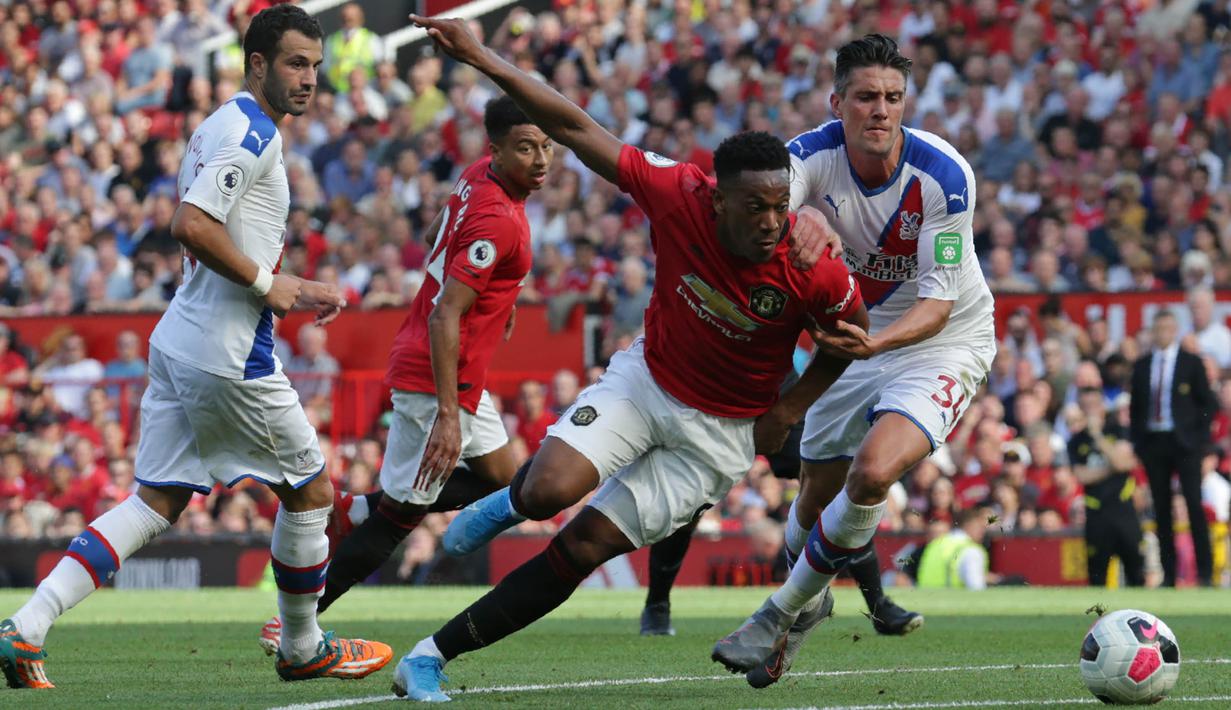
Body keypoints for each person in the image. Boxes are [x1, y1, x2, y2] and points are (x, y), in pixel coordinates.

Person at [393, 14, 859, 703]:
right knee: (548, 489)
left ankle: (427, 658)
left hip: (719, 439)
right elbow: (578, 128)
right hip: (646, 382)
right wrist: (479, 55)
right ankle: (510, 500)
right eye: (754, 207)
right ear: (717, 197)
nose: (770, 222)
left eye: (780, 206)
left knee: (581, 548)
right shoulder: (677, 194)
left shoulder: (809, 264)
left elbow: (849, 336)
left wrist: (788, 408)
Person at [0, 6, 393, 690]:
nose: (309, 79)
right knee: (310, 490)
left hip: (182, 340)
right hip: (226, 353)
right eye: (296, 64)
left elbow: (212, 226)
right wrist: (271, 283)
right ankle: (302, 646)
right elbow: (189, 223)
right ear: (259, 63)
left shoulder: (219, 121)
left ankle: (25, 628)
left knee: (155, 501)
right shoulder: (252, 133)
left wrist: (288, 286)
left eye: (316, 67)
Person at [714, 34, 996, 687]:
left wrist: (868, 345)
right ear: (835, 101)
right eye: (865, 97)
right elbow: (755, 216)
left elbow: (935, 304)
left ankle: (775, 614)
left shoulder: (944, 177)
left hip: (941, 340)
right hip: (851, 340)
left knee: (870, 475)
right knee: (812, 500)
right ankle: (807, 610)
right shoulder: (806, 159)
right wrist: (791, 224)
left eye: (892, 98)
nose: (880, 110)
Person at [258, 95, 552, 653]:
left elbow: (436, 244)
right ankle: (297, 618)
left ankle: (359, 506)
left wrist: (499, 296)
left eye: (546, 146)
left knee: (504, 479)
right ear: (497, 150)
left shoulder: (477, 179)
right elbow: (446, 312)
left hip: (455, 374)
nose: (540, 159)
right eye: (526, 148)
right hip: (436, 376)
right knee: (401, 519)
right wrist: (447, 413)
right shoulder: (497, 218)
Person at [639, 367, 921, 638]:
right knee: (689, 500)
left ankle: (878, 606)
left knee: (834, 487)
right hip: (715, 391)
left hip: (777, 389)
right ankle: (657, 605)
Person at [1130, 310, 1218, 587]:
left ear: (1176, 329)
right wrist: (1139, 443)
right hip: (1155, 442)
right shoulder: (1143, 365)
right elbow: (1136, 408)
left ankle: (1205, 572)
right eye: (1159, 328)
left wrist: (1199, 440)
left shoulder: (1191, 363)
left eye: (1169, 327)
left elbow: (1208, 404)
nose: (1164, 333)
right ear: (1153, 331)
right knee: (1162, 508)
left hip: (1184, 444)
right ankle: (1169, 574)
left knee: (1193, 504)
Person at [1069, 387, 1144, 587]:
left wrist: (1098, 437)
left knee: (1136, 571)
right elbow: (1082, 476)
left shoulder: (1118, 430)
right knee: (1096, 575)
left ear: (1102, 406)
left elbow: (1124, 463)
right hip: (1096, 513)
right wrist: (1111, 468)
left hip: (1123, 511)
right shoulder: (1076, 441)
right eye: (1085, 406)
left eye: (1093, 405)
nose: (1090, 410)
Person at [915, 507, 995, 589]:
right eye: (980, 527)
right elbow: (976, 588)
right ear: (969, 525)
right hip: (953, 600)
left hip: (924, 599)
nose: (983, 532)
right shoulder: (972, 550)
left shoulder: (936, 544)